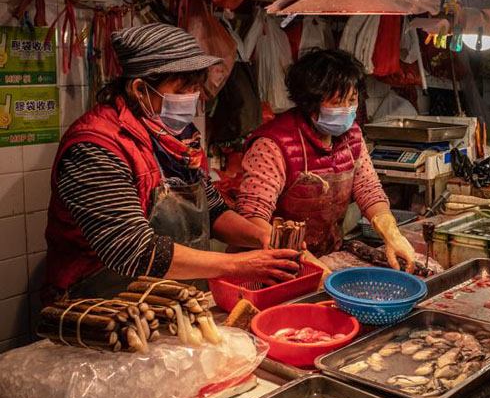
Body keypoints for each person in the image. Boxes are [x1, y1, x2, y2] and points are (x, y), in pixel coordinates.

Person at [43, 24, 300, 301]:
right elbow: (131, 250)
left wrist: (261, 237)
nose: (194, 97)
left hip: (172, 300)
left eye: (195, 87)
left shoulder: (181, 139)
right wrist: (239, 265)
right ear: (140, 89)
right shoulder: (95, 147)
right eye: (182, 89)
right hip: (100, 309)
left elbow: (212, 212)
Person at [237, 49, 416, 273]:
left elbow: (369, 190)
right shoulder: (271, 144)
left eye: (352, 100)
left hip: (327, 256)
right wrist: (310, 265)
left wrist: (393, 235)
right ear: (310, 103)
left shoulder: (352, 136)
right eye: (337, 101)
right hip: (269, 266)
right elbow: (252, 217)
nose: (347, 109)